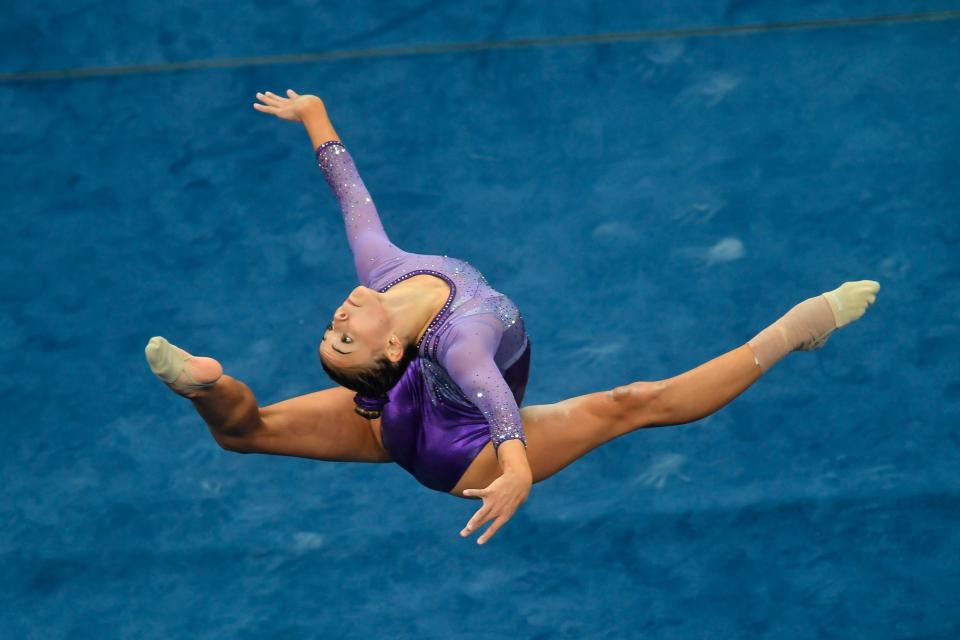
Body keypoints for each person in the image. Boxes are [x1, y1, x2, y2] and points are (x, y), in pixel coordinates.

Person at [145, 89, 881, 545]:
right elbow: (499, 405)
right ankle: (796, 329)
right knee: (634, 406)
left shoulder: (383, 272)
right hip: (459, 453)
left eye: (331, 332)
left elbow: (350, 194)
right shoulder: (461, 340)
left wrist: (315, 118)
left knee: (247, 434)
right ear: (390, 348)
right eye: (343, 335)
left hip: (400, 414)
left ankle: (207, 389)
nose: (336, 315)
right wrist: (516, 471)